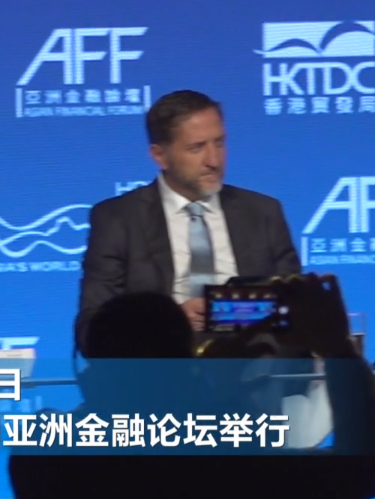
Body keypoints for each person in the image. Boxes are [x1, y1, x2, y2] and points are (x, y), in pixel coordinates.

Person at [11, 274, 375, 499]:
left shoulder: (42, 453)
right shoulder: (232, 456)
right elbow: (364, 470)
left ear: (91, 373)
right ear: (185, 370)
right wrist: (337, 349)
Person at [74, 89, 301, 356]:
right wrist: (171, 324)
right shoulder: (118, 219)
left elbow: (297, 310)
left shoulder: (263, 212)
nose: (214, 161)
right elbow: (91, 329)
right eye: (197, 148)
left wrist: (232, 313)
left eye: (219, 143)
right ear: (159, 155)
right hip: (162, 368)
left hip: (255, 367)